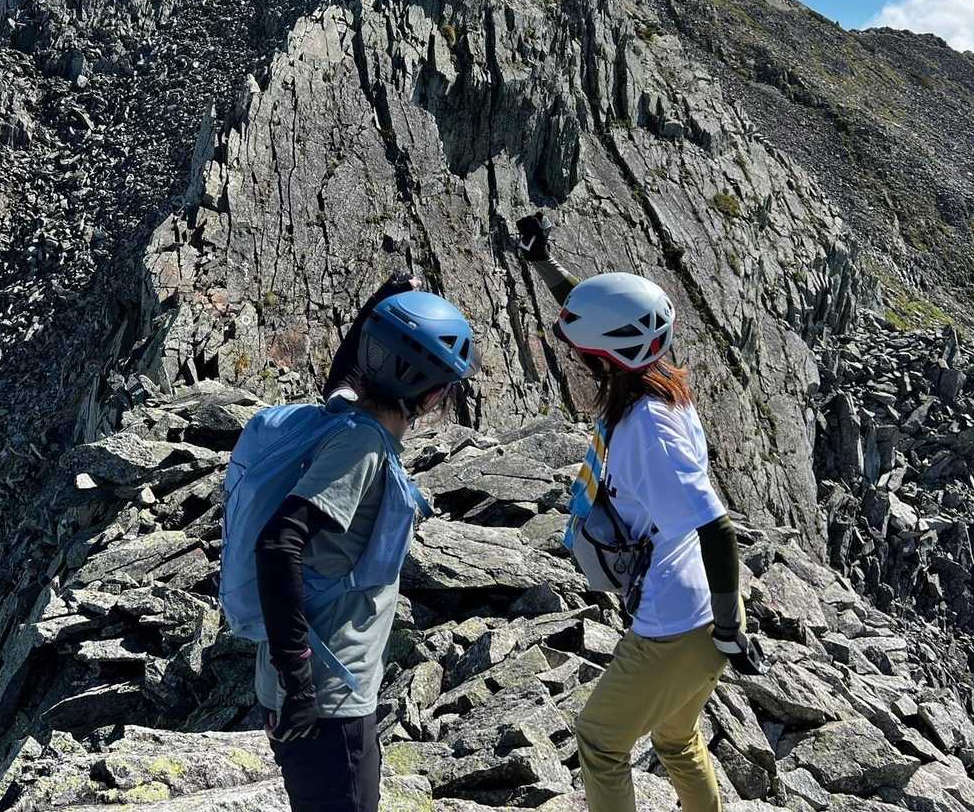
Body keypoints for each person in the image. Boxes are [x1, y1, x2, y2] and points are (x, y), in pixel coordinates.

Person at [515, 212, 761, 812]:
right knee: (676, 739)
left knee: (600, 742)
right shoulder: (657, 382)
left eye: (583, 353)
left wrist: (730, 630)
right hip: (700, 608)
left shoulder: (647, 429)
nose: (576, 359)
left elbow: (717, 527)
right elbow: (598, 313)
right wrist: (544, 262)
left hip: (679, 621)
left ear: (605, 359)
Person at [254, 279, 477, 812]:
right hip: (327, 696)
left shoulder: (345, 414)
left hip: (305, 686)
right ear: (430, 395)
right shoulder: (363, 444)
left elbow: (344, 374)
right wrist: (299, 680)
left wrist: (379, 307)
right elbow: (279, 543)